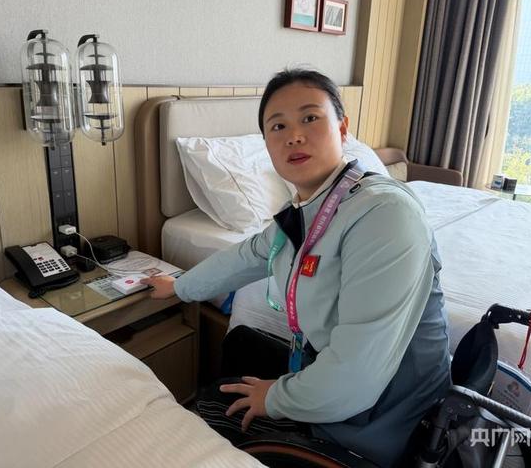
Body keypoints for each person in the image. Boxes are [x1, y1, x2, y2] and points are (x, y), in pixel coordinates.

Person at [140, 68, 451, 467]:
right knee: (239, 346)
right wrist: (179, 286)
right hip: (342, 379)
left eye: (309, 117)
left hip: (380, 421)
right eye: (278, 126)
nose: (294, 136)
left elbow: (356, 378)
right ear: (267, 145)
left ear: (342, 128)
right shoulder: (313, 207)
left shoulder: (384, 214)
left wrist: (273, 397)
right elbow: (250, 255)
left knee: (209, 409)